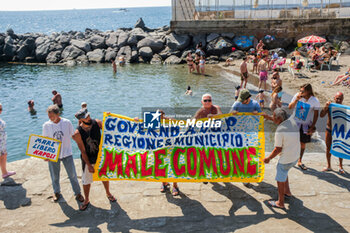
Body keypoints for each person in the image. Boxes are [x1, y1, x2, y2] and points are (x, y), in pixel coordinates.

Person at [73, 108, 116, 211]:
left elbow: (109, 131)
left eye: (88, 115)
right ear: (81, 120)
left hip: (101, 156)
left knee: (104, 177)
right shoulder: (77, 133)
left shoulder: (97, 122)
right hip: (88, 158)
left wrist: (110, 118)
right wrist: (88, 165)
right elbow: (82, 151)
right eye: (85, 117)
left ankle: (108, 193)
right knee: (86, 181)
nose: (88, 118)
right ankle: (87, 199)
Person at [42, 105, 84, 203]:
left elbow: (73, 135)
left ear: (58, 114)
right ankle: (56, 192)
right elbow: (44, 141)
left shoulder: (67, 122)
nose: (50, 118)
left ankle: (78, 193)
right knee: (54, 176)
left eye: (52, 116)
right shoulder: (46, 125)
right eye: (49, 116)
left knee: (72, 175)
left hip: (67, 153)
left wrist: (81, 142)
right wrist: (45, 155)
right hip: (53, 155)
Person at [264, 108, 300, 209]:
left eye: (274, 117)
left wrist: (268, 158)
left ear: (279, 118)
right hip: (295, 157)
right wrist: (267, 117)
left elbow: (278, 149)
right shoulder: (292, 121)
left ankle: (280, 202)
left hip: (286, 159)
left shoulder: (280, 130)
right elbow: (278, 119)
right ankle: (287, 192)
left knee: (280, 177)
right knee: (285, 172)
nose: (273, 118)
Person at [288, 84, 320, 170]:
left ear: (308, 91)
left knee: (302, 143)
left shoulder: (314, 101)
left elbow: (316, 115)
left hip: (305, 125)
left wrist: (312, 126)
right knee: (291, 141)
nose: (301, 92)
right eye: (300, 90)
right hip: (295, 123)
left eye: (303, 91)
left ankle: (299, 160)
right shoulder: (297, 96)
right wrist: (296, 100)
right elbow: (290, 107)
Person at [320, 92, 345, 174]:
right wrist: (325, 107)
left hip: (339, 131)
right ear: (334, 98)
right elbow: (321, 115)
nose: (338, 100)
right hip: (329, 129)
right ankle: (328, 165)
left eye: (340, 99)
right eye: (337, 98)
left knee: (340, 148)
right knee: (328, 148)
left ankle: (341, 166)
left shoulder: (344, 109)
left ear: (343, 99)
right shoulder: (330, 106)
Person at [0, 103, 16, 179]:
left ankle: (4, 172)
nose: (0, 111)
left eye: (1, 109)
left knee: (4, 155)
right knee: (2, 156)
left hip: (2, 142)